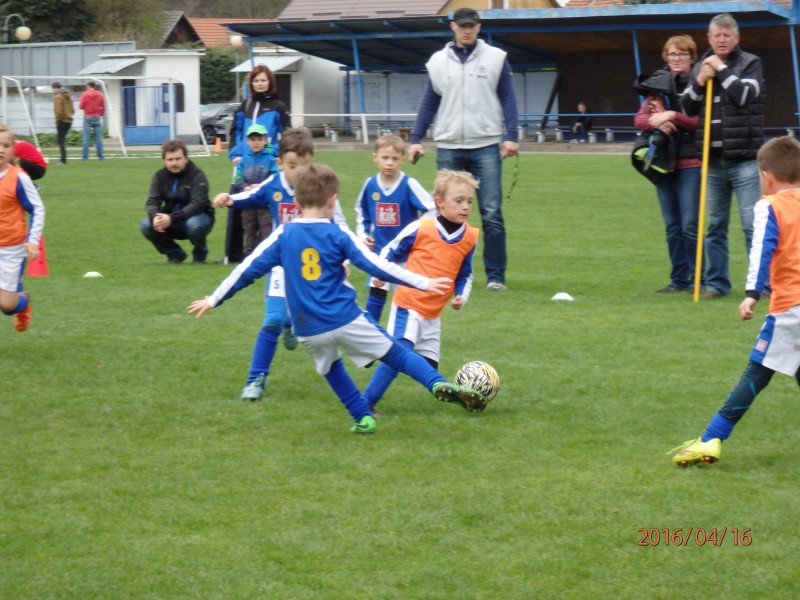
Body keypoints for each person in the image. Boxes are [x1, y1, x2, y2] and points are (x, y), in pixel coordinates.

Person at [189, 162, 487, 434]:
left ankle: (363, 418)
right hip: (345, 318)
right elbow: (376, 265)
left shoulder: (283, 235)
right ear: (332, 201)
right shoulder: (338, 233)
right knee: (396, 353)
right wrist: (423, 282)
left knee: (332, 368)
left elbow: (246, 270)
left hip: (307, 328)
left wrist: (213, 299)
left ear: (296, 202)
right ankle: (437, 384)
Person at [671, 136, 800, 466]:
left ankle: (710, 438)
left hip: (791, 308)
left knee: (757, 371)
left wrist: (751, 294)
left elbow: (761, 251)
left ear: (766, 177)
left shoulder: (769, 205)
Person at [214, 128, 338, 401]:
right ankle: (255, 380)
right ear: (280, 163)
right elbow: (253, 195)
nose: (300, 172)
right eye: (293, 166)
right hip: (281, 265)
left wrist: (343, 260)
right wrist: (230, 199)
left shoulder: (320, 189)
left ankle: (291, 323)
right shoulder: (274, 184)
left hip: (310, 269)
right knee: (272, 319)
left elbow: (337, 225)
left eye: (305, 165)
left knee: (317, 325)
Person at [408, 7, 519, 292]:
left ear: (479, 27)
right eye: (462, 25)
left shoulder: (496, 58)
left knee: (491, 213)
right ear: (453, 27)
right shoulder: (437, 62)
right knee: (446, 213)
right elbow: (429, 102)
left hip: (486, 144)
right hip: (448, 145)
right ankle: (447, 273)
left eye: (471, 25)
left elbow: (508, 97)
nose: (467, 30)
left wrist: (512, 135)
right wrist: (416, 138)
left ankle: (495, 277)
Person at [362, 170, 480, 411]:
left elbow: (465, 273)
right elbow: (389, 251)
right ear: (439, 203)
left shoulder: (470, 236)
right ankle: (365, 403)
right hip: (408, 305)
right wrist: (379, 274)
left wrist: (461, 295)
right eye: (458, 200)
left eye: (469, 201)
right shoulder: (421, 228)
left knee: (426, 364)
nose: (465, 206)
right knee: (400, 354)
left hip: (433, 314)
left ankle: (456, 392)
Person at [679, 13, 765, 299]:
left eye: (727, 35)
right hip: (712, 162)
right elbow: (687, 108)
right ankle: (717, 285)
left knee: (751, 225)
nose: (722, 39)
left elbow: (744, 95)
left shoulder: (750, 63)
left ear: (736, 38)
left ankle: (761, 285)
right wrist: (700, 80)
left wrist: (721, 70)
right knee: (715, 226)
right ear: (709, 38)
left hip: (744, 159)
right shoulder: (701, 67)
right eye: (717, 35)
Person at [634, 35, 702, 293]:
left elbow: (699, 121)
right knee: (673, 227)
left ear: (692, 57)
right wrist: (657, 122)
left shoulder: (699, 82)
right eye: (672, 54)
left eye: (682, 54)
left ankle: (699, 279)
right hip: (664, 163)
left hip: (691, 162)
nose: (677, 58)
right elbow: (640, 120)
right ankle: (678, 280)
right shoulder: (657, 84)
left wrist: (672, 116)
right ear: (666, 56)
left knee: (690, 226)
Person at [355, 133, 436, 322]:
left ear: (402, 160)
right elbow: (362, 212)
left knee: (407, 298)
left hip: (406, 254)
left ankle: (405, 332)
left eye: (395, 158)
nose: (389, 163)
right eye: (385, 158)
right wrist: (363, 236)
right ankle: (371, 331)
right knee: (377, 290)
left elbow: (432, 209)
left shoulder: (408, 184)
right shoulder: (370, 185)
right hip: (380, 252)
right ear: (375, 158)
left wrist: (417, 230)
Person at [224, 65, 292, 263]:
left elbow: (287, 133)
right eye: (256, 80)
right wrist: (235, 154)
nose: (260, 84)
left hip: (267, 166)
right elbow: (236, 131)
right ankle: (233, 255)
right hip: (244, 165)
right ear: (251, 83)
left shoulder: (278, 106)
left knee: (266, 212)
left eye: (263, 80)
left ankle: (270, 252)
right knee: (235, 206)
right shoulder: (245, 105)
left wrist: (276, 155)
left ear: (270, 82)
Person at [0, 124, 45, 333]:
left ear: (13, 150)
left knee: (7, 306)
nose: (1, 150)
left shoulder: (19, 178)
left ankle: (23, 302)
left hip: (11, 249)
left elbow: (36, 209)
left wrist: (32, 241)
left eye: (6, 146)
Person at [140, 139, 214, 264]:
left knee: (194, 225)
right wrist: (155, 216)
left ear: (186, 158)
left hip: (197, 218)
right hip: (171, 220)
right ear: (164, 161)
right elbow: (152, 202)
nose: (174, 163)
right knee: (146, 225)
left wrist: (172, 218)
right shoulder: (159, 176)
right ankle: (175, 254)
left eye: (178, 159)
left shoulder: (197, 175)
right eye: (170, 159)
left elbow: (198, 204)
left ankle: (200, 254)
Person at [232, 124, 279, 258]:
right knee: (249, 231)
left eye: (259, 139)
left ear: (265, 141)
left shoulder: (270, 159)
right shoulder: (244, 160)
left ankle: (266, 257)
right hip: (248, 203)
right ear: (247, 141)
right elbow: (238, 178)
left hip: (265, 205)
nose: (256, 142)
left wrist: (261, 187)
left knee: (266, 231)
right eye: (253, 140)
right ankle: (249, 256)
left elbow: (275, 177)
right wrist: (244, 187)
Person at [79, 81, 105, 161]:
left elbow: (81, 106)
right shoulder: (100, 94)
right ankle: (100, 156)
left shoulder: (85, 94)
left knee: (86, 137)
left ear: (88, 86)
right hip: (97, 116)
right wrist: (100, 114)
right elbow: (103, 107)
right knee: (98, 138)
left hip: (88, 116)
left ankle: (85, 157)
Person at [52, 82, 74, 164]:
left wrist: (57, 121)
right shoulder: (68, 96)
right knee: (61, 140)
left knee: (60, 140)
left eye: (53, 89)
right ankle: (63, 159)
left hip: (62, 121)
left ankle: (63, 159)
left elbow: (59, 111)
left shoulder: (58, 97)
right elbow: (72, 109)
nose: (53, 91)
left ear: (55, 88)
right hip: (69, 120)